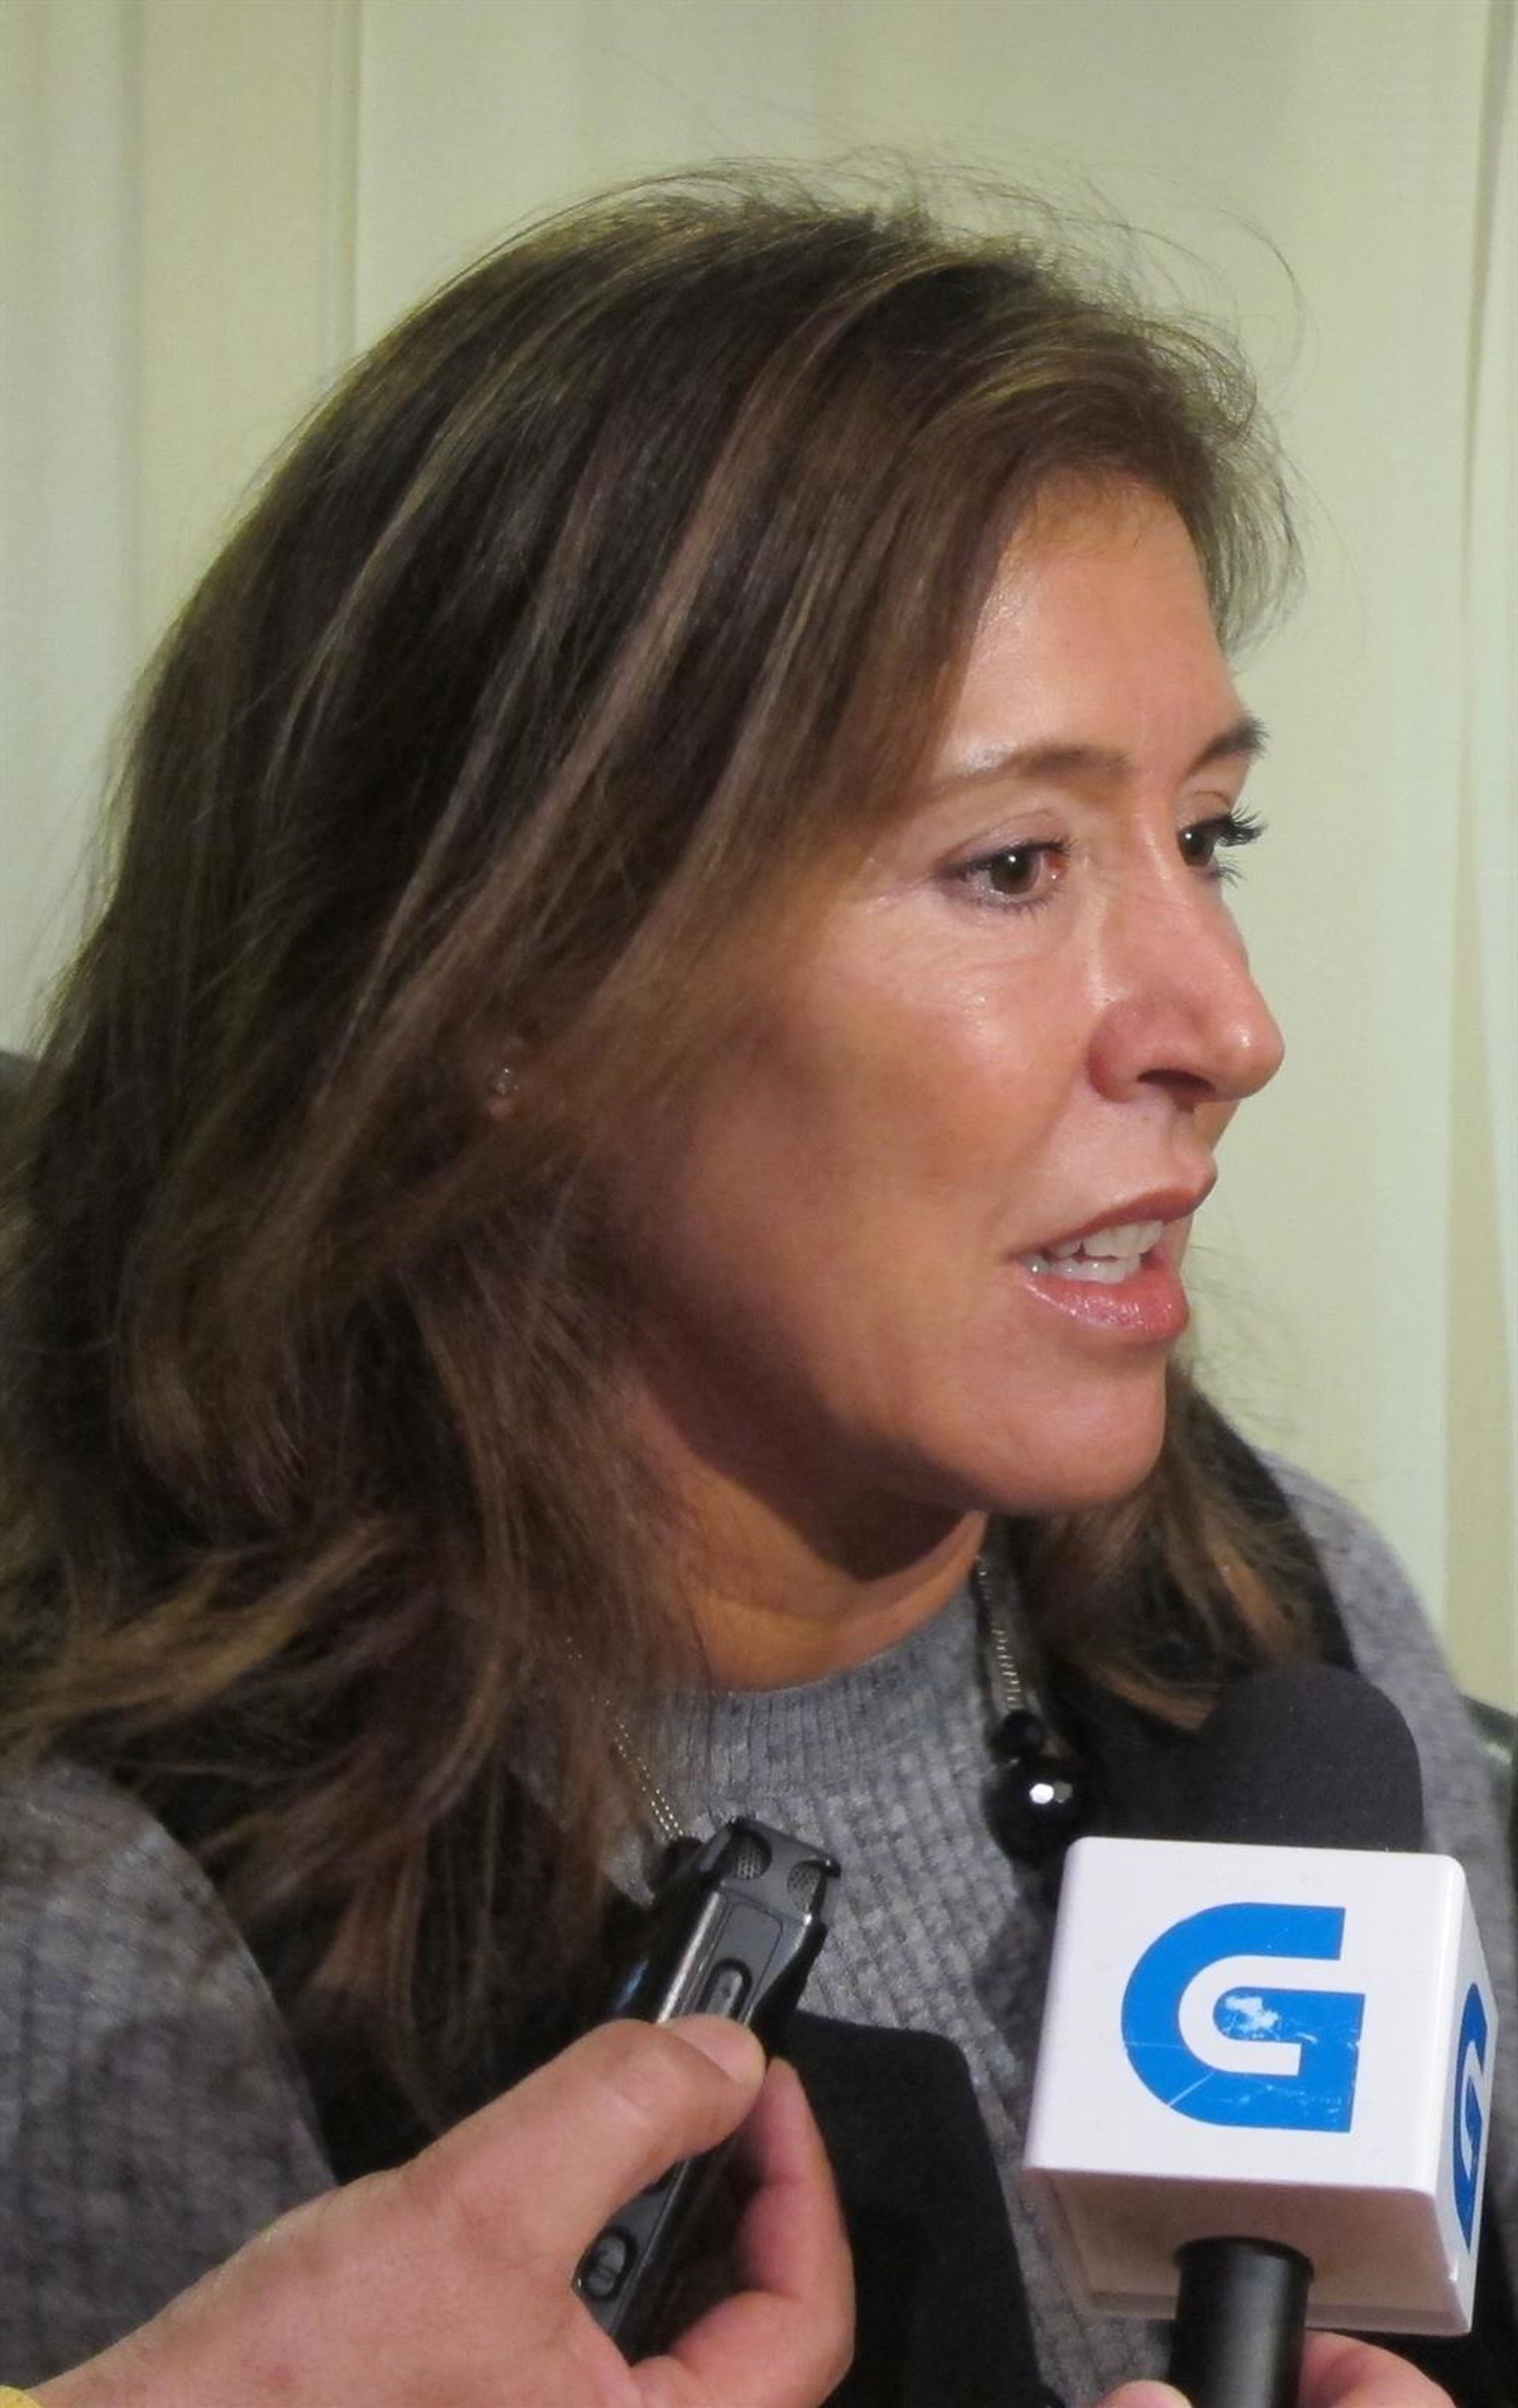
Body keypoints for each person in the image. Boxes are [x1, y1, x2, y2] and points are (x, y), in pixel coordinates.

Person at [0, 169, 1511, 2408]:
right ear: (511, 985)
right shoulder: (117, 1938)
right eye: (1012, 863)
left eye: (1209, 836)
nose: (1228, 1022)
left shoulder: (1283, 1632)